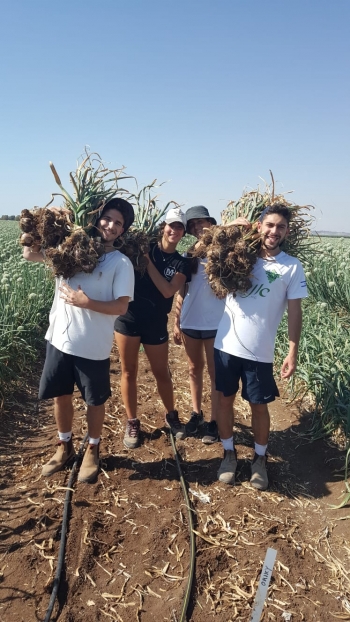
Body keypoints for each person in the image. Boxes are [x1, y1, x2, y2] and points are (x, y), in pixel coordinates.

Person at [23, 198, 135, 483]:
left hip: (92, 345)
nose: (111, 225)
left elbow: (121, 307)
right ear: (97, 219)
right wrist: (46, 221)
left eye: (118, 223)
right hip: (59, 339)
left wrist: (87, 302)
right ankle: (65, 446)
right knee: (61, 395)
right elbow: (29, 253)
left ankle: (93, 450)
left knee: (94, 401)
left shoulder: (120, 263)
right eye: (107, 218)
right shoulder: (71, 249)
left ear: (122, 231)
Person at [214, 203, 308, 490]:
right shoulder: (240, 256)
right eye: (269, 225)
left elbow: (295, 312)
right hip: (226, 345)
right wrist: (231, 227)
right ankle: (229, 453)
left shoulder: (291, 266)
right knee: (224, 401)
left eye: (280, 226)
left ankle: (259, 459)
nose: (274, 231)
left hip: (260, 352)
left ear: (287, 232)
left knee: (259, 406)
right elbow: (206, 246)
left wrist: (292, 350)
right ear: (259, 227)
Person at [114, 207, 192, 449]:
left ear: (183, 232)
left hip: (156, 321)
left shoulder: (182, 262)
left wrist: (146, 261)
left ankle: (171, 416)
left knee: (162, 372)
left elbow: (168, 290)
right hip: (128, 318)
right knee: (128, 371)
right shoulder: (141, 244)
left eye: (179, 227)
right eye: (171, 225)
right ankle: (132, 421)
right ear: (163, 226)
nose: (174, 230)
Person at [174, 205, 249, 444]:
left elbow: (242, 225)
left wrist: (224, 230)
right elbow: (181, 290)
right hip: (190, 321)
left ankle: (215, 421)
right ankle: (196, 414)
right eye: (193, 225)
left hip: (217, 323)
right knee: (194, 370)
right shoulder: (190, 253)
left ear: (211, 221)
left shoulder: (225, 248)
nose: (197, 227)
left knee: (216, 375)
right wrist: (176, 322)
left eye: (200, 222)